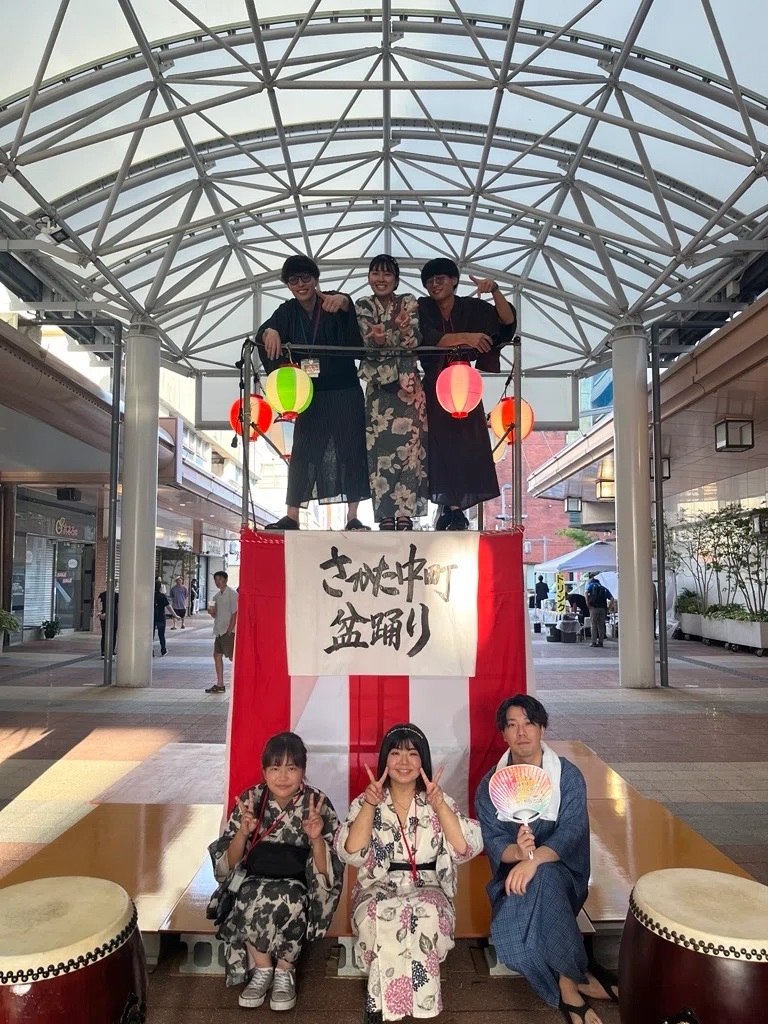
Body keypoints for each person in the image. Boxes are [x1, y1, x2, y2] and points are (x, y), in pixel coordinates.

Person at [475, 695, 618, 1024]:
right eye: (512, 725)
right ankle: (578, 976)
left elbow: (571, 833)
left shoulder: (566, 777)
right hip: (512, 879)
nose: (521, 732)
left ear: (542, 729)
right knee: (537, 883)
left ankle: (567, 986)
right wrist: (517, 853)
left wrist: (534, 860)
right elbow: (493, 840)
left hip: (565, 876)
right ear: (503, 734)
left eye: (529, 724)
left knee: (547, 876)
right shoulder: (491, 786)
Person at [334, 723, 482, 1023]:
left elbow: (465, 848)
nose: (404, 761)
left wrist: (440, 806)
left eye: (412, 754)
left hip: (429, 886)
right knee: (377, 913)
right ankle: (386, 1002)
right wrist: (370, 805)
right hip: (379, 884)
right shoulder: (367, 800)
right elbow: (351, 852)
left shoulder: (438, 800)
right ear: (384, 760)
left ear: (423, 760)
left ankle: (391, 1003)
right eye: (396, 753)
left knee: (425, 913)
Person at [207, 731, 343, 1010]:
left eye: (291, 768)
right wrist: (243, 832)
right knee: (247, 893)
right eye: (275, 768)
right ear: (264, 771)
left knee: (290, 898)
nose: (282, 777)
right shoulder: (252, 799)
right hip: (255, 878)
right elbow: (226, 866)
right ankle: (262, 968)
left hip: (300, 884)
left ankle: (284, 970)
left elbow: (329, 871)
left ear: (303, 770)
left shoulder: (317, 803)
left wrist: (316, 838)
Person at [257, 254, 370, 531]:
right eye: (293, 280)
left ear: (316, 279)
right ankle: (292, 515)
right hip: (311, 394)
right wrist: (269, 331)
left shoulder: (331, 300)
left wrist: (344, 302)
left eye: (305, 277)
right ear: (287, 284)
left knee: (351, 450)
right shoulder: (287, 311)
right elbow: (266, 330)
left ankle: (353, 516)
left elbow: (349, 315)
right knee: (303, 451)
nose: (300, 284)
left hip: (344, 389)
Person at [417, 258, 517, 530]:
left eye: (440, 279)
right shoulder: (422, 307)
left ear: (454, 281)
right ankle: (446, 507)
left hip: (464, 383)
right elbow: (427, 337)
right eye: (429, 281)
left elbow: (506, 322)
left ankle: (457, 509)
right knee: (437, 446)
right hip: (435, 384)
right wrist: (468, 337)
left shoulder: (471, 307)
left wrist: (494, 290)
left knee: (469, 444)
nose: (434, 285)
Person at [355, 254, 428, 531]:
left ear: (396, 280)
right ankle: (385, 515)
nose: (381, 279)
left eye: (387, 274)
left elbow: (414, 340)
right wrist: (383, 336)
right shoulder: (363, 304)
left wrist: (398, 330)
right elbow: (366, 342)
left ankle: (405, 514)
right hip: (378, 389)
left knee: (411, 449)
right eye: (375, 273)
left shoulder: (408, 301)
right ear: (369, 277)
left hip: (408, 387)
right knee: (379, 452)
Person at [206, 570, 238, 693]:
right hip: (219, 631)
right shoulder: (216, 597)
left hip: (228, 631)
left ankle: (241, 681)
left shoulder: (232, 594)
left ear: (225, 580)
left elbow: (235, 613)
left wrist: (230, 630)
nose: (217, 582)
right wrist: (211, 612)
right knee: (217, 655)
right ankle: (220, 684)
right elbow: (215, 615)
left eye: (219, 579)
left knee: (232, 657)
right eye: (215, 580)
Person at [585, 574, 613, 648]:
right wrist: (608, 608)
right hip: (603, 609)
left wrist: (588, 605)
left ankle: (593, 642)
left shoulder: (590, 586)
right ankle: (601, 642)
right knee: (601, 625)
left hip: (594, 608)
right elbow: (612, 599)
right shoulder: (603, 588)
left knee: (593, 625)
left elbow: (586, 594)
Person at [153, 579, 178, 656]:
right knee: (161, 634)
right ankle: (163, 650)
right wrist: (175, 615)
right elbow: (168, 607)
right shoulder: (162, 596)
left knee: (150, 635)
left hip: (151, 617)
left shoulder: (150, 595)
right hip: (160, 617)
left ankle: (151, 651)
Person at [96, 586, 118, 658]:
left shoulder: (103, 594)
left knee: (104, 634)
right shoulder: (116, 595)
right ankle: (112, 651)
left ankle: (103, 652)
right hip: (113, 616)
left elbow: (98, 602)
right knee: (113, 634)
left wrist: (100, 613)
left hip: (104, 615)